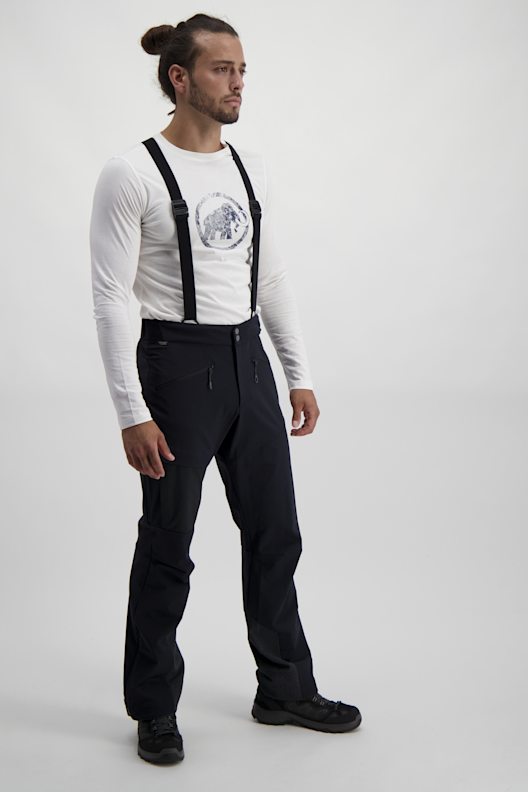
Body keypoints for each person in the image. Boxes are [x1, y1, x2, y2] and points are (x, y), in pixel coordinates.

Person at [89, 13, 362, 765]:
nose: (238, 83)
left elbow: (269, 277)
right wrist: (131, 411)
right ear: (180, 78)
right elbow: (110, 297)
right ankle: (154, 708)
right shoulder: (132, 173)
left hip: (249, 362)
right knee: (168, 544)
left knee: (276, 533)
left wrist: (298, 373)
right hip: (175, 368)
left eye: (242, 69)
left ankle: (285, 688)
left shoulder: (250, 168)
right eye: (222, 69)